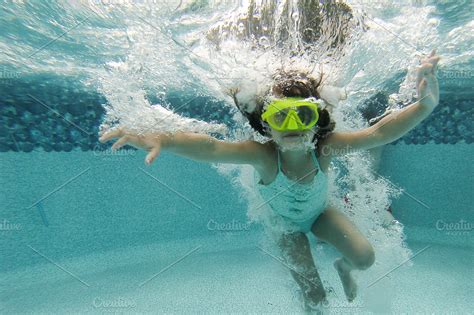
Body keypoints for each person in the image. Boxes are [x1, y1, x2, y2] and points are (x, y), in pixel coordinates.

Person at [99, 50, 440, 310]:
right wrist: (167, 140)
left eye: (303, 114)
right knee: (314, 295)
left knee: (365, 258)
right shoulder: (262, 155)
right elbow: (212, 147)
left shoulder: (326, 148)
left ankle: (344, 268)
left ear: (317, 120)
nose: (292, 126)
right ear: (266, 123)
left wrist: (424, 106)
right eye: (281, 116)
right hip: (285, 226)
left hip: (321, 215)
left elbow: (378, 132)